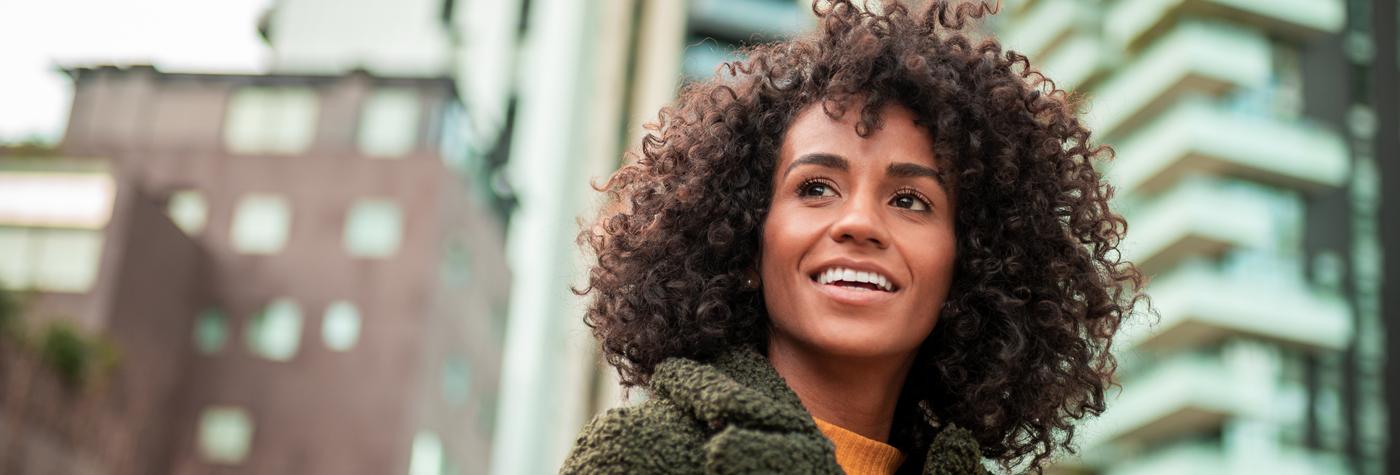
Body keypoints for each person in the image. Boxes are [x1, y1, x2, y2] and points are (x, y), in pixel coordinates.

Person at [563, 1, 1147, 473]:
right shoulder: (639, 458)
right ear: (745, 241)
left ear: (968, 269)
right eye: (816, 188)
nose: (860, 222)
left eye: (909, 200)